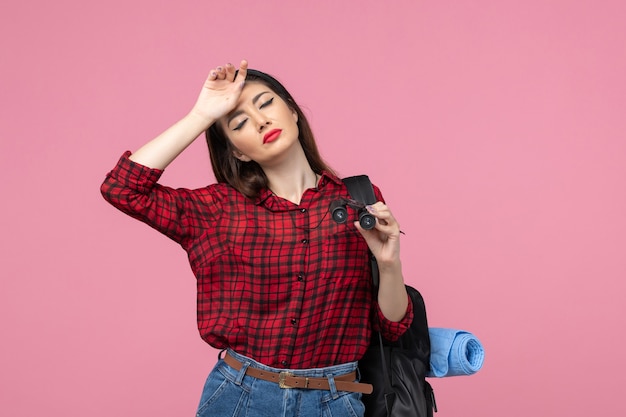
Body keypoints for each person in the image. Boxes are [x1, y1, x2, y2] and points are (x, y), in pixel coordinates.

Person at [101, 60, 413, 417]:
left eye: (265, 104)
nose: (261, 120)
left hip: (335, 401)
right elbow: (122, 189)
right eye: (239, 122)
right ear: (238, 151)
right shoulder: (218, 210)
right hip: (240, 397)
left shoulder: (359, 197)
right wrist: (202, 114)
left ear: (293, 112)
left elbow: (392, 327)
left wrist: (390, 264)